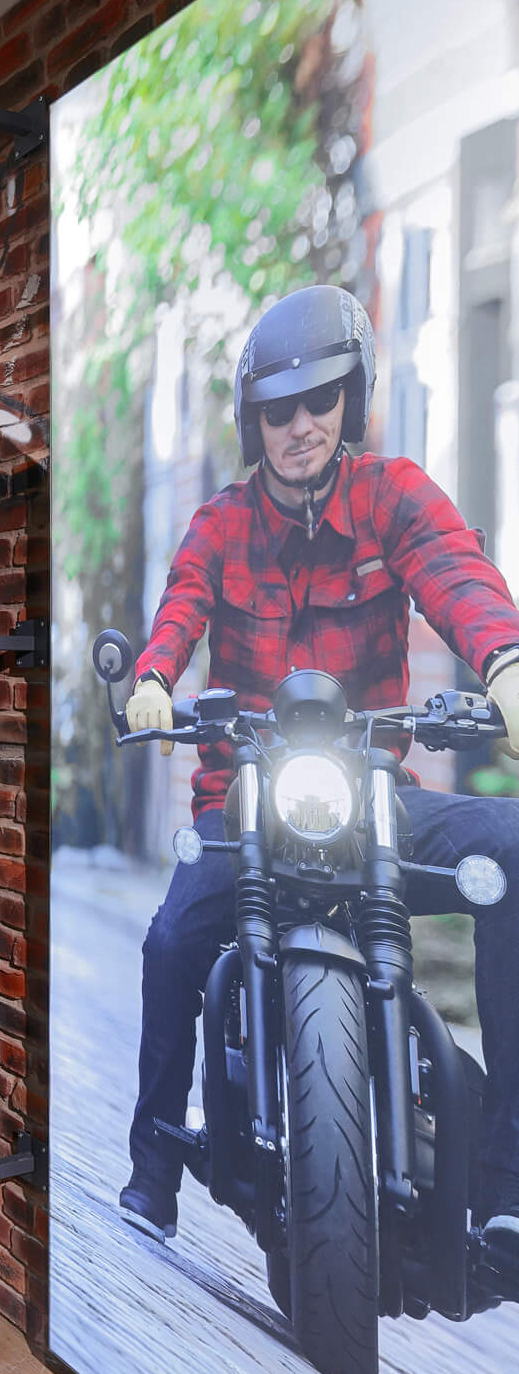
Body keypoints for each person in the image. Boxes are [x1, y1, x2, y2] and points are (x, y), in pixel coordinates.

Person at [119, 282, 519, 1278]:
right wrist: (154, 679)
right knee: (170, 939)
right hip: (244, 803)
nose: (299, 425)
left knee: (513, 852)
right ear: (251, 420)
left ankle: (507, 1177)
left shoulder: (392, 495)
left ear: (351, 398)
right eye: (277, 409)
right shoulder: (220, 523)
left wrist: (506, 663)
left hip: (372, 798)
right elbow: (180, 605)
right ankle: (153, 1161)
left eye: (319, 400)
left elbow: (454, 569)